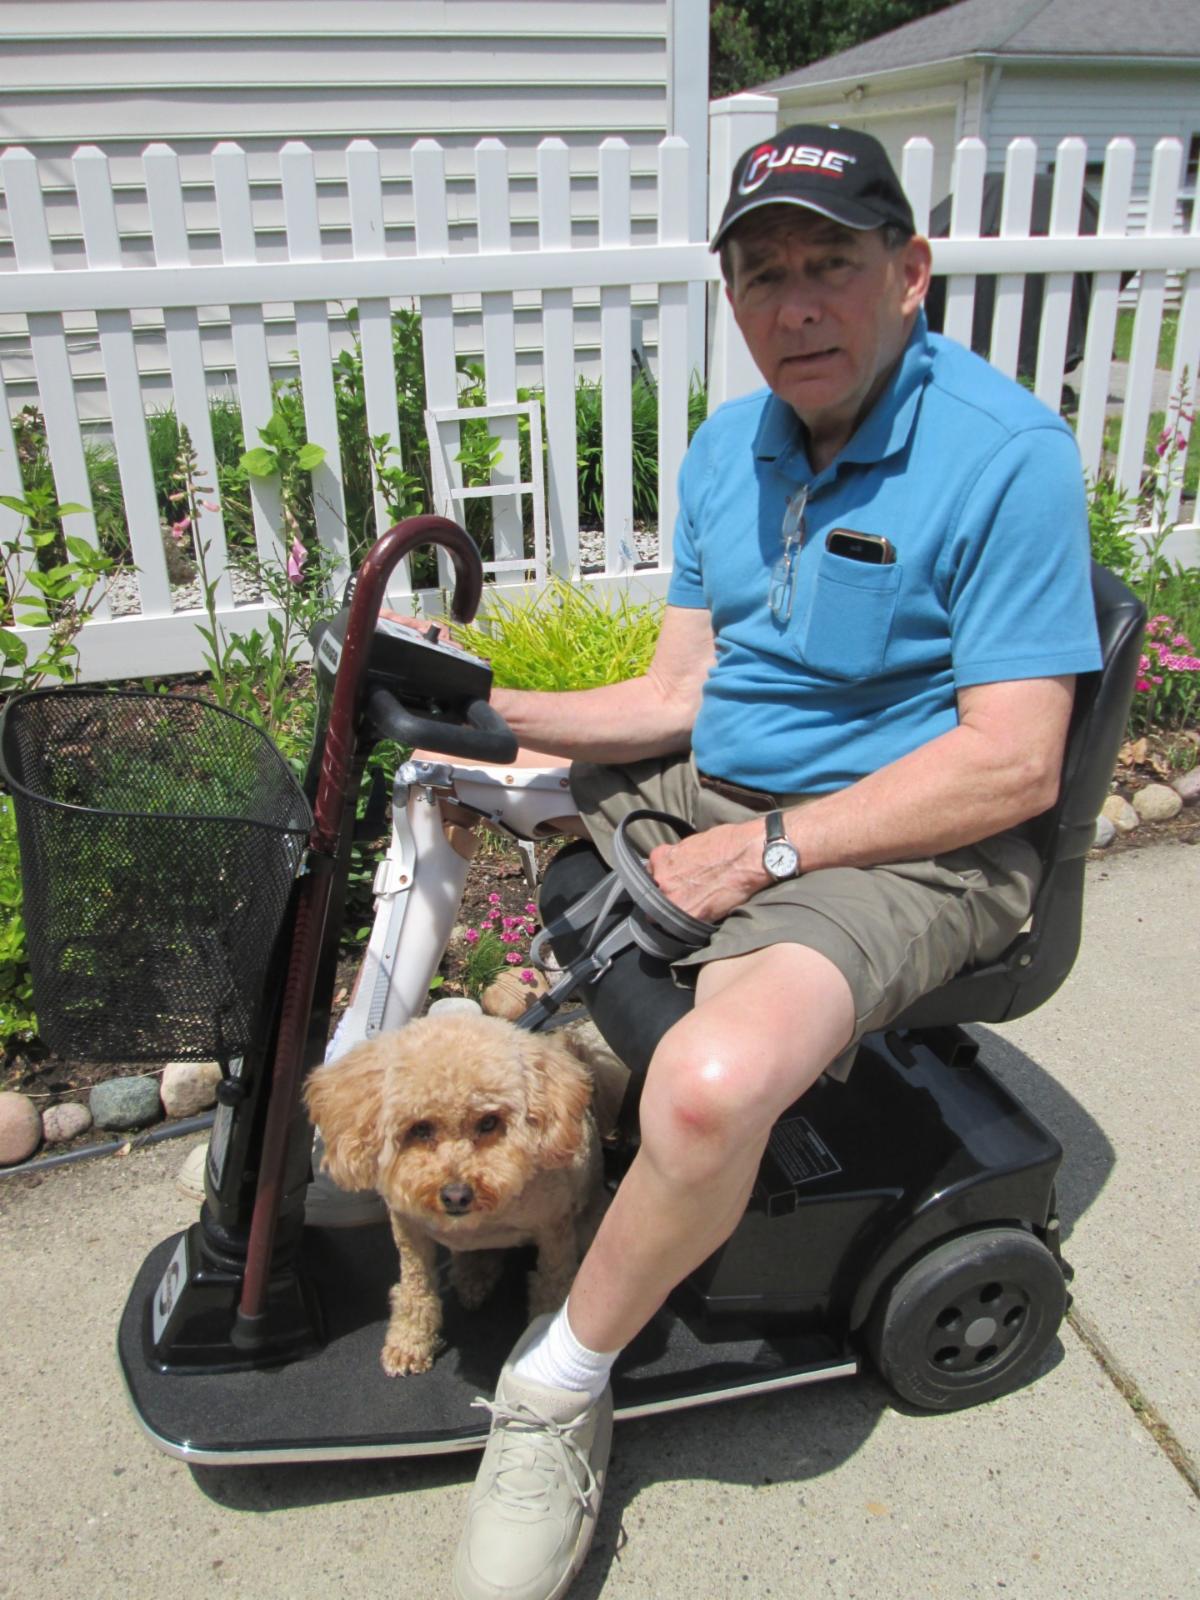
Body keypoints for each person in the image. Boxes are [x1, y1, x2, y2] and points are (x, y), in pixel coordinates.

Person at [450, 124, 1103, 1600]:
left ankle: (558, 1392)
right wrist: (476, 713)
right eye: (763, 276)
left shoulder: (1006, 459)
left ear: (909, 274)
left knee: (712, 1082)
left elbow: (1014, 763)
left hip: (912, 837)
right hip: (735, 782)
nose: (796, 306)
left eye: (832, 267)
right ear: (733, 298)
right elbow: (679, 699)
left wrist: (768, 851)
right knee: (442, 786)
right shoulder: (725, 444)